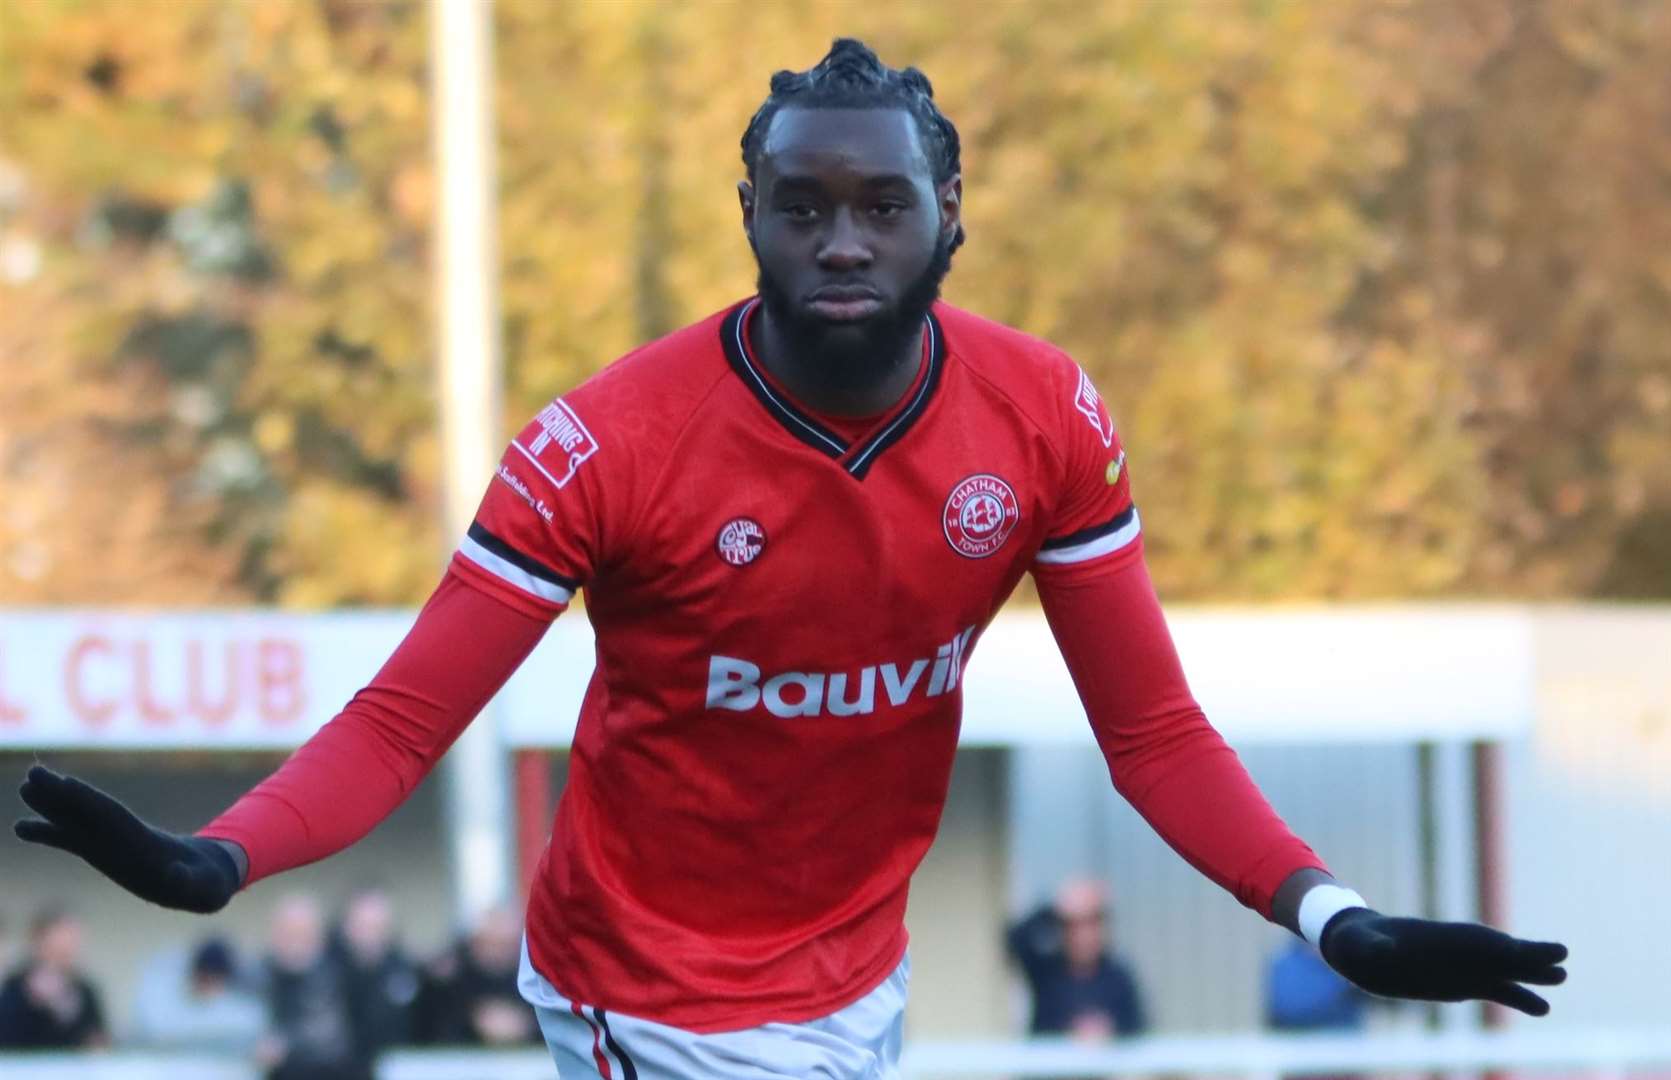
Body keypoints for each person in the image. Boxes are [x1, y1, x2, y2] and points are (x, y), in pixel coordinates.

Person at [12, 37, 1568, 1080]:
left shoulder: (1041, 416)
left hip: (853, 978)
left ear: (947, 218)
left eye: (879, 204)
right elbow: (409, 718)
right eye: (799, 204)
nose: (840, 238)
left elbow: (1149, 732)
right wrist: (221, 856)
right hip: (643, 986)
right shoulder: (607, 444)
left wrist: (1327, 916)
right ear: (745, 216)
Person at [1008, 879, 1147, 1038]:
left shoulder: (1118, 977)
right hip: (1052, 1062)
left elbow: (1137, 1027)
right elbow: (1014, 938)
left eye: (1091, 926)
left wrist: (1109, 1032)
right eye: (1075, 927)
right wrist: (1056, 906)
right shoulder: (1046, 972)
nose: (1084, 937)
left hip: (1103, 1062)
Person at [258, 893, 366, 1080]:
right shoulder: (258, 976)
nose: (295, 943)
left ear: (319, 938)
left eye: (302, 934)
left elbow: (330, 1035)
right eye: (287, 933)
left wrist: (285, 1045)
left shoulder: (336, 979)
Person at [414, 904, 538, 1047]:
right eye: (492, 945)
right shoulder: (449, 977)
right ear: (476, 941)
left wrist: (524, 1026)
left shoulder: (535, 976)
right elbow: (430, 1029)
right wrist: (474, 1022)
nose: (499, 954)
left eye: (507, 946)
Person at [329, 886, 421, 1062]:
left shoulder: (404, 969)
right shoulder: (326, 970)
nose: (370, 935)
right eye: (363, 925)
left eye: (377, 926)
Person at [131, 935, 266, 1054]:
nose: (208, 988)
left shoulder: (241, 1013)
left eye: (214, 982)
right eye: (204, 980)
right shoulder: (165, 1006)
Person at [0, 905, 108, 1050]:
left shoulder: (85, 991)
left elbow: (98, 1040)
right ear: (40, 940)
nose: (68, 946)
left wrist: (66, 1011)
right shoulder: (15, 986)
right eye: (62, 938)